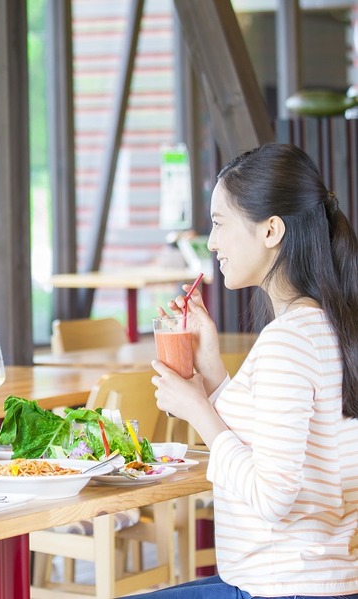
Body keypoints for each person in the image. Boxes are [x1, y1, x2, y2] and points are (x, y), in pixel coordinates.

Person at [132, 143, 358, 598]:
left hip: (282, 585)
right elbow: (274, 440)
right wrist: (211, 371)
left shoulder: (287, 340)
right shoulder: (329, 327)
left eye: (219, 223)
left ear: (271, 230)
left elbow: (273, 498)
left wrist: (197, 410)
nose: (212, 242)